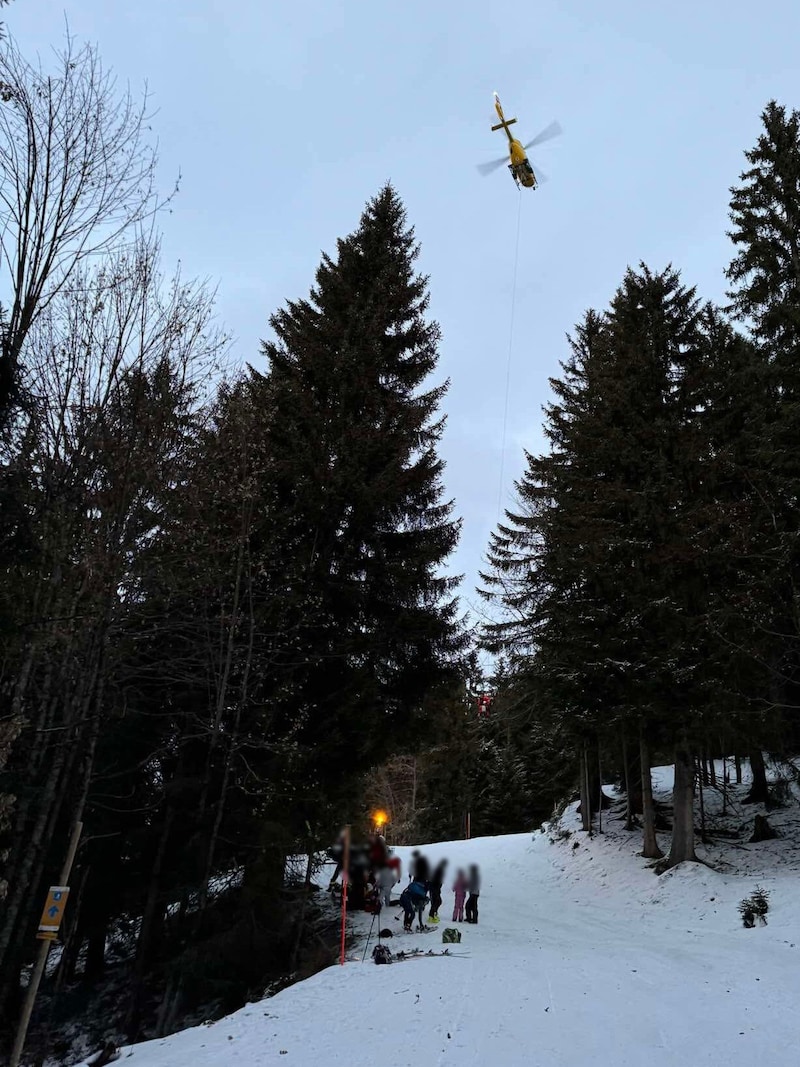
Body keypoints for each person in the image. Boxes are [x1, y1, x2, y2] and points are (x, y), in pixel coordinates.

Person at [428, 859, 447, 924]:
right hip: (434, 888)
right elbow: (436, 880)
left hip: (436, 888)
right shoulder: (439, 870)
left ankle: (433, 914)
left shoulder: (439, 869)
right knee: (436, 901)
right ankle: (431, 916)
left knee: (437, 901)